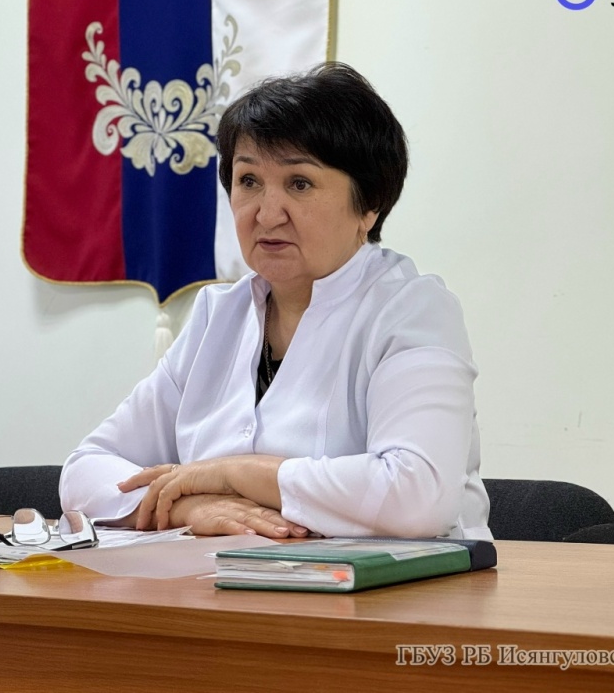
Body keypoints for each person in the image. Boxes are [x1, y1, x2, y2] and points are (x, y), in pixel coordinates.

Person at [60, 63, 492, 541]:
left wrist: (233, 474)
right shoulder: (217, 316)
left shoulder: (413, 310)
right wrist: (190, 505)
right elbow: (85, 470)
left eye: (299, 183)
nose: (266, 214)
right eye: (248, 181)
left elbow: (418, 498)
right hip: (224, 580)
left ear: (369, 204)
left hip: (396, 587)